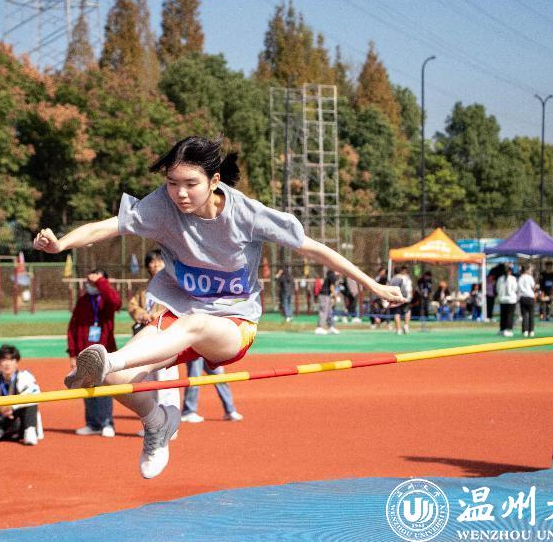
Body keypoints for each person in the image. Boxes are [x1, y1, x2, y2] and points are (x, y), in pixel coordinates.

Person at [33, 136, 403, 479]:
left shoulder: (247, 215)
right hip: (178, 312)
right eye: (172, 182)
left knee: (184, 328)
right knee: (115, 382)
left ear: (214, 180)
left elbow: (314, 249)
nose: (179, 193)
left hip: (231, 324)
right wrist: (61, 244)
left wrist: (371, 285)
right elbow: (109, 226)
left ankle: (109, 361)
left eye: (190, 184)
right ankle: (157, 422)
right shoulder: (162, 205)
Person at [68, 269, 120, 438]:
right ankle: (93, 423)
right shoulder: (83, 301)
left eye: (96, 281)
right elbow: (73, 327)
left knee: (103, 387)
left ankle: (106, 423)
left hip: (105, 351)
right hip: (84, 352)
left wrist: (100, 282)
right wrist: (72, 353)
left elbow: (116, 302)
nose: (92, 284)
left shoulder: (107, 300)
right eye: (91, 281)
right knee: (87, 387)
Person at [128, 250, 181, 417]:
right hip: (146, 338)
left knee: (166, 378)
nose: (156, 264)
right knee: (147, 379)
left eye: (159, 261)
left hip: (166, 338)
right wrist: (142, 314)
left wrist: (158, 315)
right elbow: (132, 305)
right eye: (152, 262)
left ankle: (169, 418)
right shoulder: (143, 288)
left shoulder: (174, 284)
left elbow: (178, 306)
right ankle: (152, 419)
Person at [314, 270, 340, 335]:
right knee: (324, 311)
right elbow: (332, 287)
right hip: (324, 296)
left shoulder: (331, 275)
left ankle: (331, 327)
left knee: (329, 311)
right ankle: (319, 328)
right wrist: (335, 296)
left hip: (327, 295)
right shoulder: (333, 276)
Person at [389, 266, 412, 335]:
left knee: (397, 313)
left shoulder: (392, 279)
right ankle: (406, 325)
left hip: (396, 297)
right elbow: (409, 288)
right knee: (407, 311)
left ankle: (398, 329)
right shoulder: (406, 278)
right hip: (405, 297)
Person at [496, 263, 518, 337]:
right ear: (510, 271)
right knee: (510, 315)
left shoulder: (500, 279)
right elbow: (515, 288)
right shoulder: (512, 278)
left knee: (503, 315)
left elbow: (497, 289)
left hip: (502, 299)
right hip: (511, 300)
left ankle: (502, 329)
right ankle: (508, 329)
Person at [517, 264, 537, 337]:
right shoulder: (530, 277)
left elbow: (519, 287)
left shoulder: (521, 277)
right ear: (527, 270)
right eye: (530, 270)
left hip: (523, 297)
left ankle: (525, 331)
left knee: (524, 315)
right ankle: (531, 331)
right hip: (530, 297)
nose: (531, 271)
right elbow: (533, 286)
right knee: (531, 315)